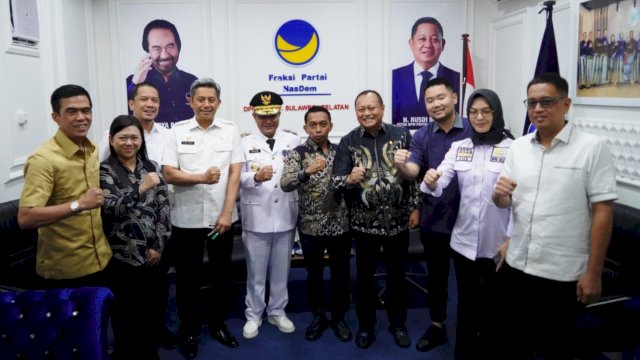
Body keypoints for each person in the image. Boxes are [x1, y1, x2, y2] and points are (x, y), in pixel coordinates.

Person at [492, 73, 617, 359]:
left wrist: (594, 273)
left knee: (555, 348)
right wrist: (500, 198)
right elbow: (506, 201)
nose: (538, 109)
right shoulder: (518, 147)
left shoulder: (591, 148)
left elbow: (602, 212)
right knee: (511, 341)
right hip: (517, 264)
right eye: (532, 102)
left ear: (566, 104)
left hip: (561, 273)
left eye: (546, 101)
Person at [421, 89, 513, 359]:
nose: (479, 117)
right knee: (467, 302)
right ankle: (464, 352)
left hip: (500, 243)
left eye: (486, 111)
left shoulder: (513, 148)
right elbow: (440, 181)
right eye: (473, 112)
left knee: (495, 304)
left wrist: (513, 238)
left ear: (496, 113)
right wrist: (431, 180)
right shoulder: (460, 147)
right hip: (464, 241)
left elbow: (524, 201)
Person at [333, 90, 421, 350]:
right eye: (361, 109)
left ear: (382, 108)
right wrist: (348, 179)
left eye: (372, 107)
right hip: (363, 224)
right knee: (364, 278)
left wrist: (416, 207)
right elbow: (336, 183)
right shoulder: (348, 142)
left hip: (398, 222)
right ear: (356, 112)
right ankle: (366, 326)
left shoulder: (402, 135)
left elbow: (414, 177)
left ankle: (399, 324)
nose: (367, 113)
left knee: (397, 275)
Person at [162, 78, 243, 359]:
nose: (206, 104)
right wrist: (201, 178)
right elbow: (169, 173)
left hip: (221, 219)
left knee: (222, 275)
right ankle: (190, 329)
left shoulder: (230, 131)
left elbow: (235, 175)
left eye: (211, 100)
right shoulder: (177, 132)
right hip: (186, 220)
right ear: (190, 101)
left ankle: (218, 324)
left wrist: (226, 213)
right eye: (201, 99)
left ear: (218, 103)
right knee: (187, 279)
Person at [394, 77, 472, 352]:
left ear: (453, 97)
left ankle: (472, 330)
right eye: (430, 100)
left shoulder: (475, 128)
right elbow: (413, 171)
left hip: (472, 222)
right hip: (435, 218)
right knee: (437, 279)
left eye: (441, 97)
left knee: (470, 284)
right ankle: (437, 325)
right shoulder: (423, 135)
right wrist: (402, 166)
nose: (436, 104)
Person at [18, 84, 112, 288]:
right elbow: (26, 217)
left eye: (86, 110)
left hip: (101, 257)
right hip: (66, 270)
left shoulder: (92, 148)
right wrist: (79, 204)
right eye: (72, 111)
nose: (81, 117)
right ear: (55, 117)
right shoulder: (43, 159)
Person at [100, 115, 171, 360]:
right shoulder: (104, 171)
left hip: (152, 254)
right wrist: (140, 189)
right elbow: (109, 209)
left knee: (150, 310)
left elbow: (164, 209)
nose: (129, 142)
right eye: (123, 137)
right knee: (125, 313)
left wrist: (158, 245)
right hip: (121, 256)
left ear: (141, 139)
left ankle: (148, 352)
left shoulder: (151, 167)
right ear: (111, 139)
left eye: (134, 137)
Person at [280, 106, 352, 342]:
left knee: (341, 274)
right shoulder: (296, 154)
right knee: (314, 275)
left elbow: (351, 182)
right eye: (313, 125)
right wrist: (306, 172)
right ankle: (318, 316)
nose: (318, 128)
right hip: (311, 228)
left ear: (330, 125)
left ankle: (339, 317)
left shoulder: (343, 150)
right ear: (306, 128)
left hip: (340, 224)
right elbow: (286, 183)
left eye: (323, 124)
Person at [239, 91, 300, 340]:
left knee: (281, 270)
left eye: (272, 115)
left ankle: (277, 311)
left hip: (285, 213)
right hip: (256, 216)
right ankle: (253, 314)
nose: (268, 120)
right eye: (263, 116)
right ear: (254, 115)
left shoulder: (294, 141)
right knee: (255, 272)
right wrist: (253, 176)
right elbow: (235, 179)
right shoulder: (242, 143)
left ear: (279, 114)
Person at [126, 19, 197, 127]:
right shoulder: (133, 81)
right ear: (148, 51)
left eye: (170, 46)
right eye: (156, 48)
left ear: (178, 47)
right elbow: (123, 118)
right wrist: (135, 84)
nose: (164, 55)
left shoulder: (192, 82)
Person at [392, 17, 460, 127]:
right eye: (422, 39)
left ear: (443, 44)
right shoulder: (395, 76)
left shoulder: (457, 78)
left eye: (434, 39)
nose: (428, 45)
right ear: (411, 43)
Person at [100, 82, 171, 163]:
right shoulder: (114, 134)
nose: (150, 104)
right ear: (131, 104)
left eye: (155, 100)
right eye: (144, 99)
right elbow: (98, 167)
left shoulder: (169, 135)